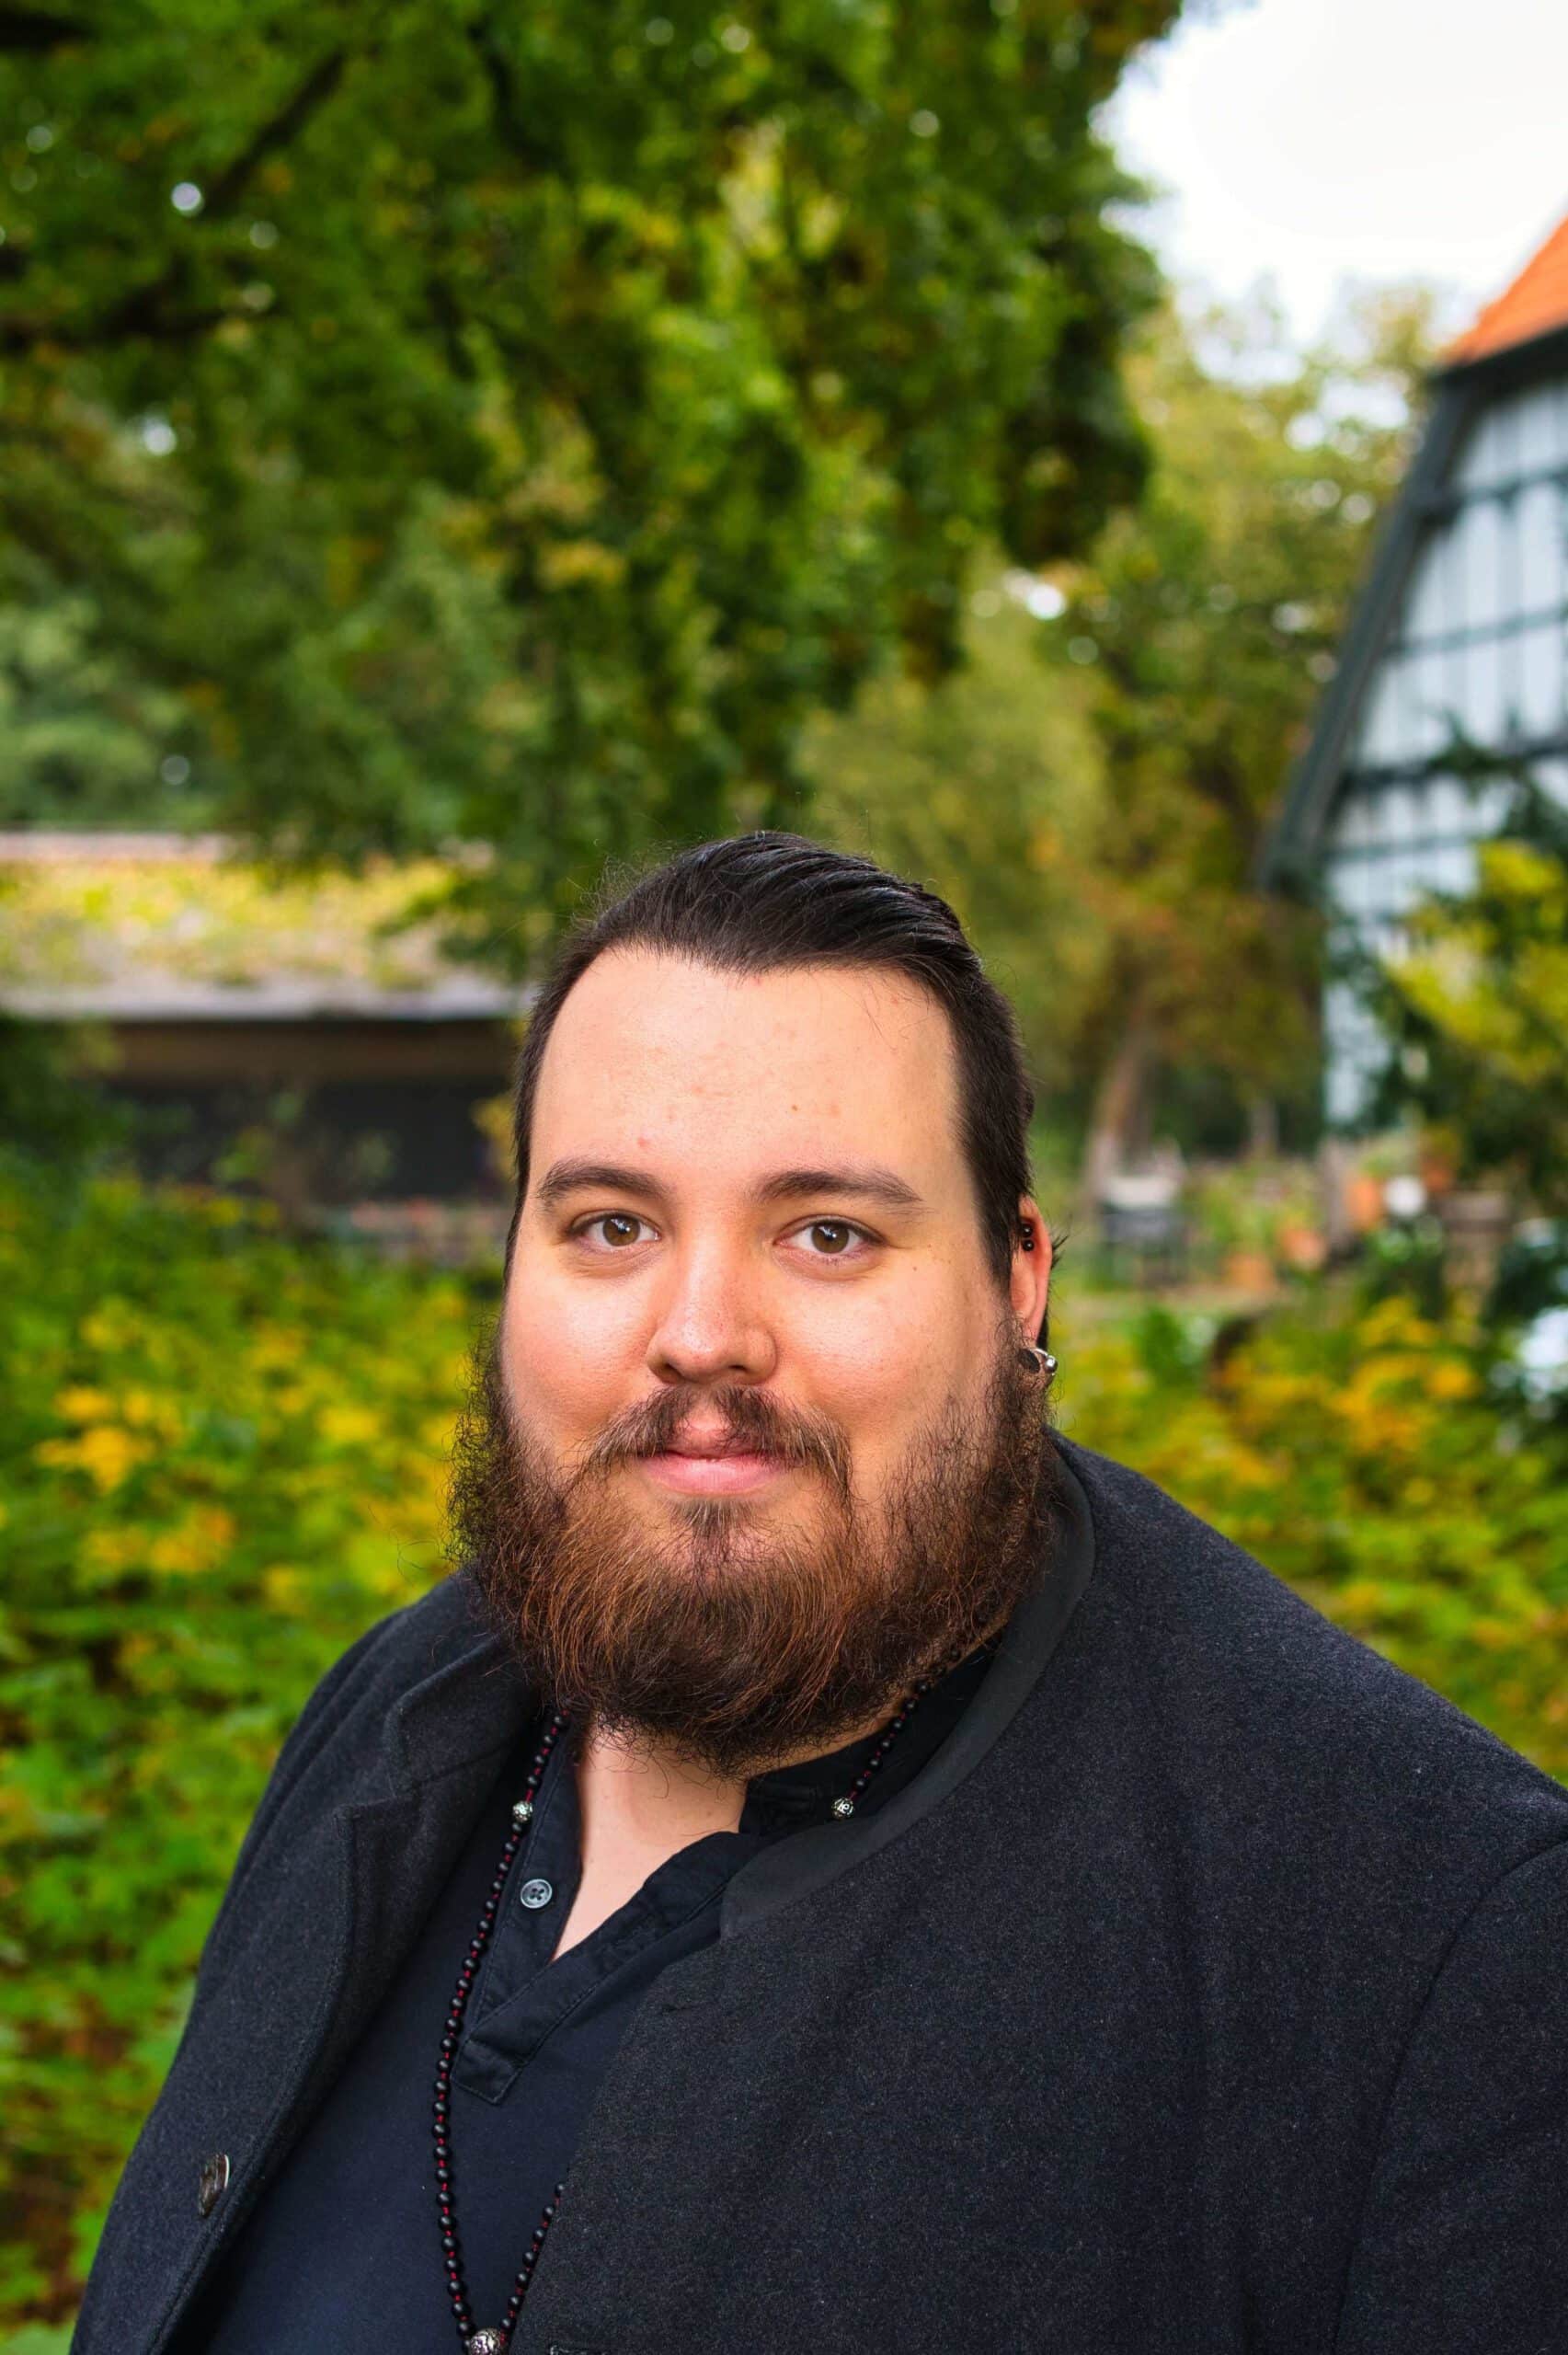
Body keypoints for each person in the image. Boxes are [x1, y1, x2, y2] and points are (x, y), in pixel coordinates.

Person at [75, 834, 1567, 2355]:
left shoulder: (1423, 1942)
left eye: (828, 1234)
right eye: (611, 1225)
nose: (700, 1332)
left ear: (1015, 1280)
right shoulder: (390, 1716)